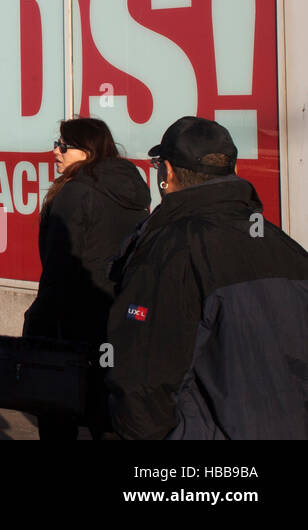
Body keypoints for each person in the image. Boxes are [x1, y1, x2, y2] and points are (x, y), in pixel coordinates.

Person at [106, 116, 308, 439]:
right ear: (235, 171)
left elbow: (140, 382)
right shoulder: (285, 247)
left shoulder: (169, 250)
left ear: (167, 173)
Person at [22, 117, 149, 439]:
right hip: (117, 313)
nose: (56, 151)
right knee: (104, 407)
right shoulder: (133, 189)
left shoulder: (74, 193)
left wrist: (38, 321)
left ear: (87, 150)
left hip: (71, 319)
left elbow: (60, 266)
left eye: (64, 145)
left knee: (57, 408)